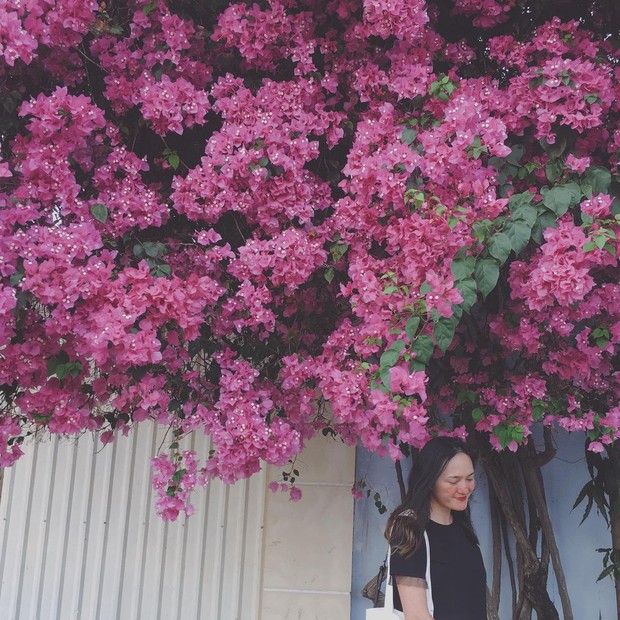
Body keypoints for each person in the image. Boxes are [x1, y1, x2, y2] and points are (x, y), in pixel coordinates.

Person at [384, 436, 486, 620]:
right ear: (430, 481)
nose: (464, 488)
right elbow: (416, 615)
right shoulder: (409, 528)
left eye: (469, 478)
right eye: (454, 481)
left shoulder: (462, 528)